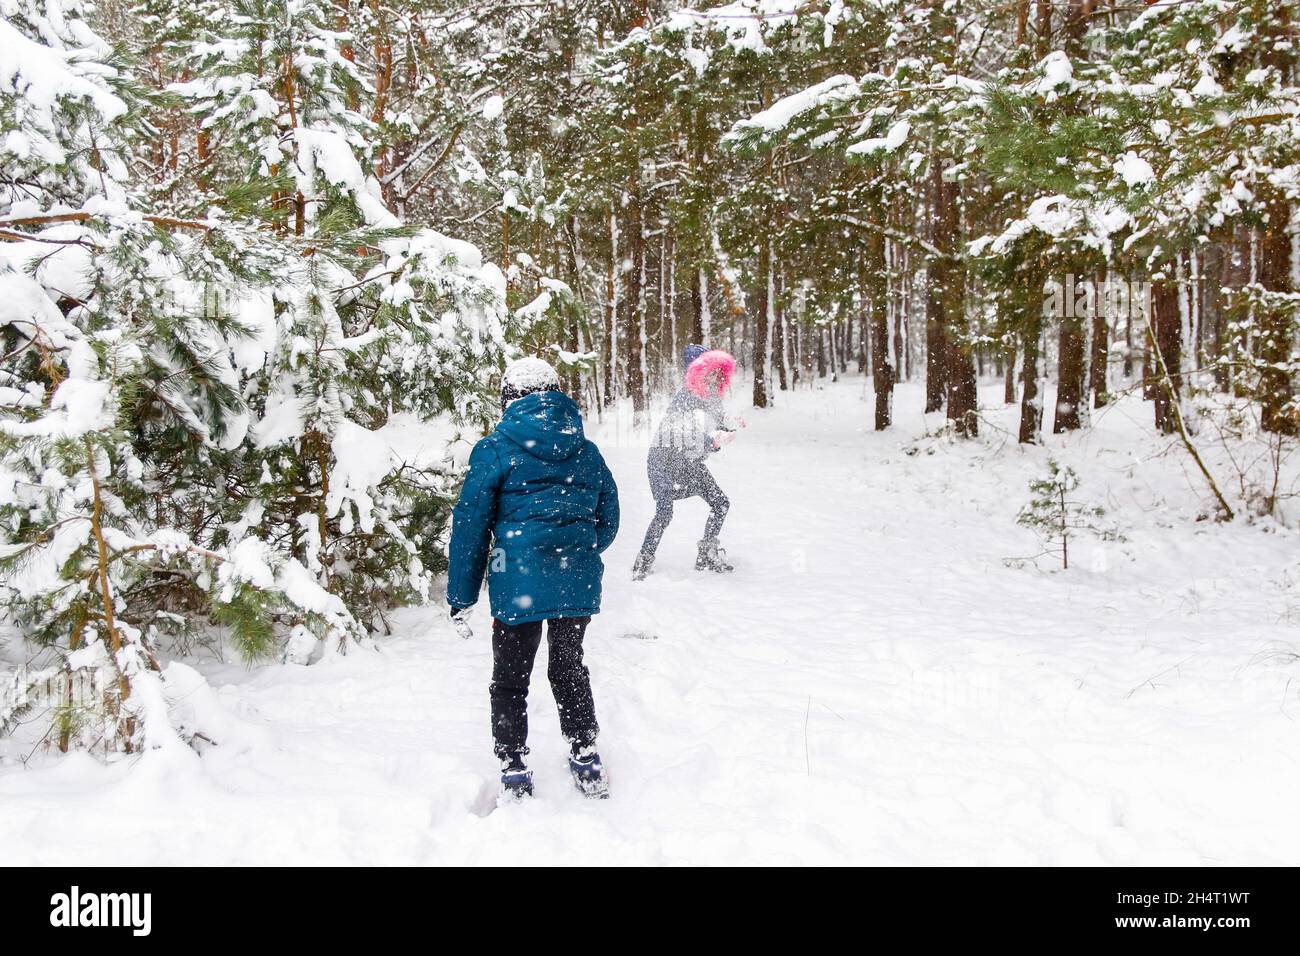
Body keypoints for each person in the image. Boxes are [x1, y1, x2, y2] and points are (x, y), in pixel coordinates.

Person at [446, 357, 620, 800]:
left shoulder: (496, 448)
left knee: (510, 677)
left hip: (516, 581)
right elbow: (610, 518)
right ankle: (585, 753)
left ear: (509, 399)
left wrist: (462, 594)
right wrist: (577, 551)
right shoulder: (586, 450)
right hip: (573, 583)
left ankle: (514, 767)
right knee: (569, 669)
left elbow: (470, 527)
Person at [632, 344, 740, 581]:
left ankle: (707, 553)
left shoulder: (711, 394)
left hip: (688, 463)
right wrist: (710, 441)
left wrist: (729, 425)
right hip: (663, 461)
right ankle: (643, 561)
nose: (714, 376)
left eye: (716, 371)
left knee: (720, 503)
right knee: (664, 512)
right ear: (696, 371)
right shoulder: (685, 395)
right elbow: (680, 433)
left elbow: (717, 422)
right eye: (709, 370)